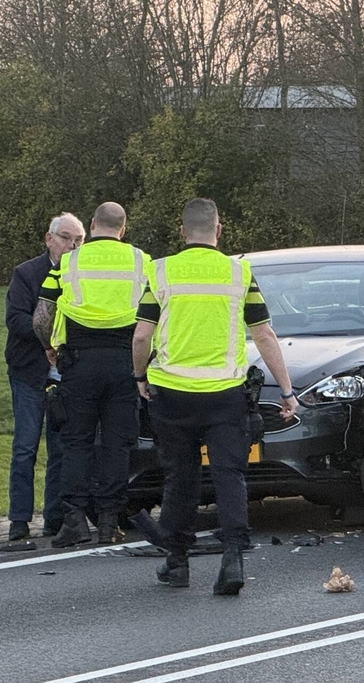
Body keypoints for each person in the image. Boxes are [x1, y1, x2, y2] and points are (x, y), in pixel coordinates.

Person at [132, 198, 297, 595]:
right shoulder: (238, 272)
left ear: (181, 229)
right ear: (219, 230)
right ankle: (233, 558)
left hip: (171, 393)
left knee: (181, 477)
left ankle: (177, 563)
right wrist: (288, 392)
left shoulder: (161, 271)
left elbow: (141, 334)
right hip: (225, 394)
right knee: (230, 475)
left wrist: (139, 376)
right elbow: (264, 334)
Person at [33, 202, 151, 547]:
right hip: (124, 362)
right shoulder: (142, 261)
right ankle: (109, 522)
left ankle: (74, 521)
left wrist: (50, 347)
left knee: (76, 442)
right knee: (117, 445)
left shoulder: (69, 261)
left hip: (79, 362)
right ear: (123, 229)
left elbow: (42, 316)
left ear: (92, 225)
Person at [5, 213, 86, 541]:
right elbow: (16, 319)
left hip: (66, 373)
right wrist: (51, 337)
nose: (72, 245)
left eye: (79, 240)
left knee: (61, 447)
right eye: (66, 238)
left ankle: (54, 516)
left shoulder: (81, 276)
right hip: (29, 370)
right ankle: (20, 519)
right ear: (49, 238)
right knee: (25, 446)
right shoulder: (27, 274)